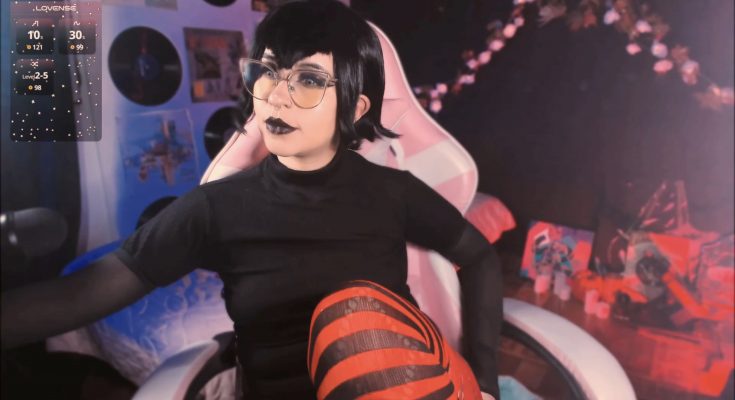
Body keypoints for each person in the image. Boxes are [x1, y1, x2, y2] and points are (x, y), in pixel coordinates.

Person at [2, 1, 502, 398]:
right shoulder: (217, 208)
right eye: (267, 71)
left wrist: (485, 380)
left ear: (355, 107)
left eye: (309, 79)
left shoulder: (393, 191)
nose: (276, 96)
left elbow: (479, 256)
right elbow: (86, 290)